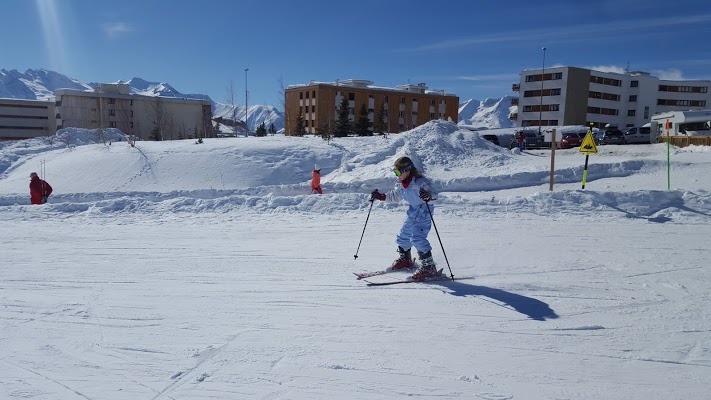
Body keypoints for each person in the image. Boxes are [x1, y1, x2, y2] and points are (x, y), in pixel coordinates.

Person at [370, 156, 439, 280]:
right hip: (413, 212)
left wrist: (428, 196)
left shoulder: (420, 182)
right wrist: (381, 197)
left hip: (424, 212)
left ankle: (429, 267)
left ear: (407, 170)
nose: (397, 175)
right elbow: (395, 196)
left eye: (398, 172)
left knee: (417, 238)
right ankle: (405, 260)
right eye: (395, 172)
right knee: (403, 236)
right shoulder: (402, 184)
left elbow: (434, 194)